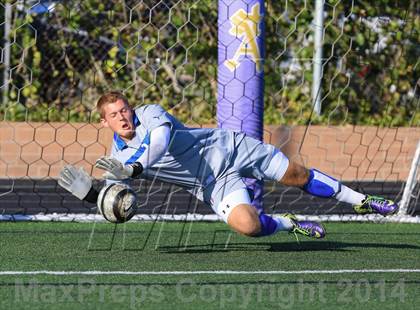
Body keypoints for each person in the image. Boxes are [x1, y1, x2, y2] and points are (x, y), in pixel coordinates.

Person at [58, 91, 399, 239]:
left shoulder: (149, 114)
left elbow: (159, 143)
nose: (123, 117)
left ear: (132, 108)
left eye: (124, 109)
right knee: (248, 226)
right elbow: (120, 204)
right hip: (211, 184)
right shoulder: (114, 160)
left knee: (295, 175)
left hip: (231, 148)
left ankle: (363, 201)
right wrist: (91, 196)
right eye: (114, 114)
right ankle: (288, 223)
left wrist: (133, 169)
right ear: (104, 123)